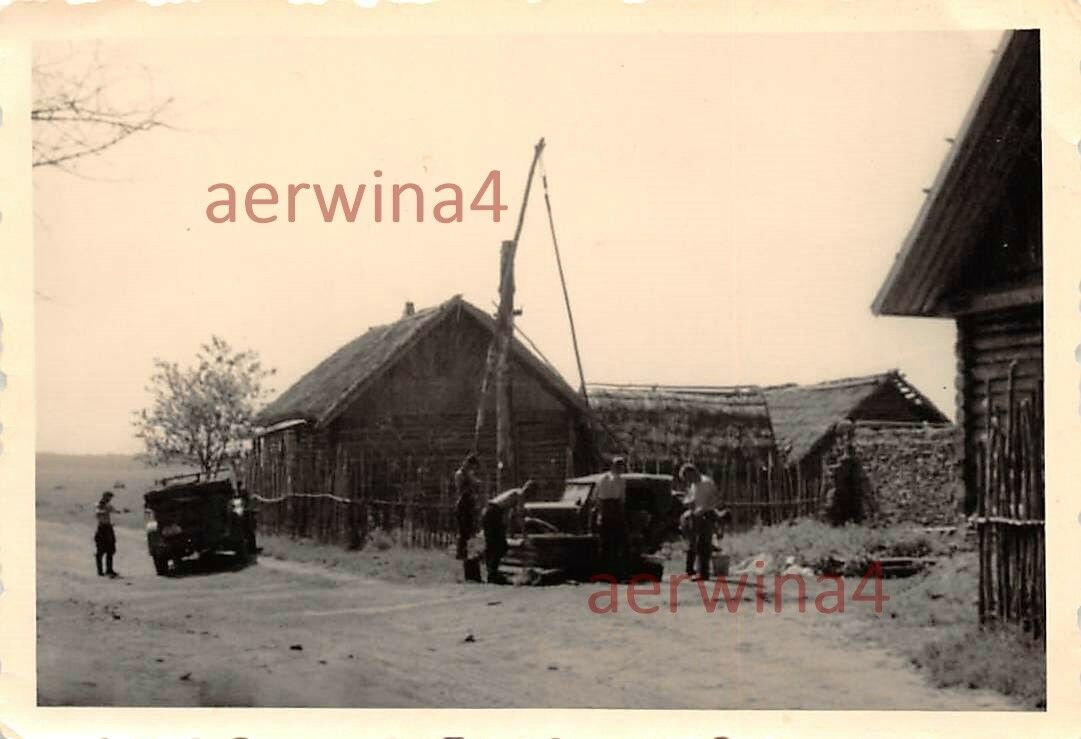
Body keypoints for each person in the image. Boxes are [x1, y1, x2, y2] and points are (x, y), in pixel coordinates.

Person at [480, 481, 531, 584]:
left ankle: (491, 572)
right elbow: (519, 517)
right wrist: (525, 534)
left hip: (489, 512)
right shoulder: (520, 494)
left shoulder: (515, 492)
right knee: (499, 546)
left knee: (494, 545)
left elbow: (511, 516)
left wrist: (509, 532)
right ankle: (492, 574)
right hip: (493, 513)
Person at [679, 463, 720, 581]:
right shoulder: (694, 485)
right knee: (694, 543)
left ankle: (704, 573)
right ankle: (691, 570)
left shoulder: (706, 483)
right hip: (696, 514)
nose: (688, 481)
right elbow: (693, 498)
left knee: (704, 544)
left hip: (706, 514)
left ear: (693, 473)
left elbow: (713, 498)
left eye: (688, 478)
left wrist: (703, 508)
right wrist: (688, 502)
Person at [594, 456, 628, 579]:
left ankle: (607, 572)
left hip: (606, 513)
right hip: (612, 512)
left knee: (607, 544)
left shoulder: (602, 479)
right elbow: (621, 500)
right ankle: (610, 572)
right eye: (620, 467)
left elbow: (596, 498)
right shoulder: (618, 480)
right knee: (613, 544)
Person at [454, 454, 481, 561]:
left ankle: (464, 552)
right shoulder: (460, 473)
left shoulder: (469, 474)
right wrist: (471, 483)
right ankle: (460, 553)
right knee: (463, 530)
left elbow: (476, 483)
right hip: (463, 502)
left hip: (470, 502)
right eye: (472, 466)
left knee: (469, 529)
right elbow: (462, 488)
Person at [94, 491, 121, 578]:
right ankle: (100, 571)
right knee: (101, 551)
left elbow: (114, 511)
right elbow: (99, 513)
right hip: (103, 528)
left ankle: (109, 569)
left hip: (107, 528)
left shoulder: (107, 505)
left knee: (110, 550)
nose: (109, 499)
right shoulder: (99, 505)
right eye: (109, 497)